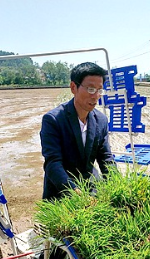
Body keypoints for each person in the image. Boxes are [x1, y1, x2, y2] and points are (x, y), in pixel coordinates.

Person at [40, 62, 115, 200]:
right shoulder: (53, 120)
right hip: (61, 192)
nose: (96, 95)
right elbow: (52, 163)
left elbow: (106, 158)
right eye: (91, 89)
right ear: (73, 87)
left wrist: (118, 187)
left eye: (100, 90)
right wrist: (75, 193)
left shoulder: (101, 120)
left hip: (90, 188)